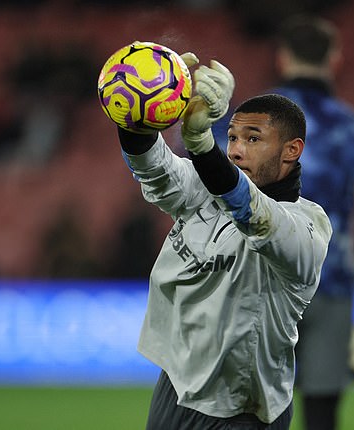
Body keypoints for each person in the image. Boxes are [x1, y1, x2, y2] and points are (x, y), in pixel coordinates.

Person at [113, 52, 332, 429]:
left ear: (291, 150)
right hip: (177, 386)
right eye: (230, 137)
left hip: (242, 408)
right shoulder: (203, 192)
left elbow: (255, 216)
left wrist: (201, 144)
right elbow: (153, 168)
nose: (235, 149)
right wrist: (144, 107)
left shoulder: (308, 225)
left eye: (253, 138)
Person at [270, 16, 354, 430]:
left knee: (248, 412)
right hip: (330, 283)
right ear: (335, 59)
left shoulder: (243, 126)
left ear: (283, 58)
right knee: (321, 417)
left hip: (260, 288)